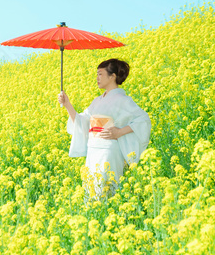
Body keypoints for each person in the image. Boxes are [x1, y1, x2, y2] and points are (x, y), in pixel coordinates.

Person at [57, 58, 151, 200]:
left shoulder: (123, 100)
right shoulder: (97, 101)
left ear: (112, 76)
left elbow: (143, 120)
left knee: (107, 188)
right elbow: (82, 121)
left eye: (100, 74)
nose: (97, 78)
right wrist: (67, 104)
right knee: (92, 189)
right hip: (93, 149)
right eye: (97, 74)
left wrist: (119, 132)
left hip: (109, 150)